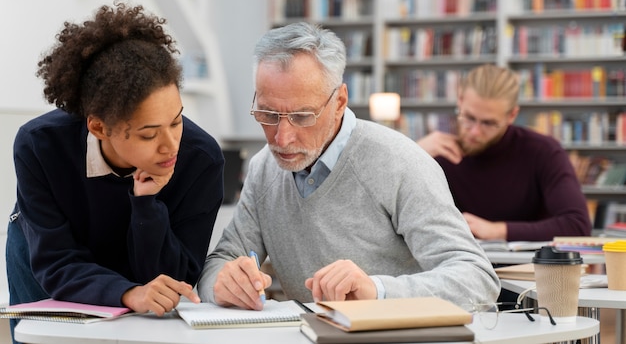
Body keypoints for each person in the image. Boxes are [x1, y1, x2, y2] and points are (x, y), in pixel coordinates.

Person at [197, 22, 500, 310]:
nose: (282, 138)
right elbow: (222, 259)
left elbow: (478, 280)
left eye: (303, 117)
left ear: (340, 101)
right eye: (267, 114)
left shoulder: (399, 163)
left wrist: (378, 292)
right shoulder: (265, 167)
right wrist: (222, 284)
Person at [6, 1, 224, 342]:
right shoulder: (40, 146)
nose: (170, 145)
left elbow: (175, 279)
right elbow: (56, 261)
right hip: (49, 264)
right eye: (149, 134)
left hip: (132, 261)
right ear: (99, 127)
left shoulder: (201, 159)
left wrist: (147, 207)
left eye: (176, 120)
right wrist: (126, 293)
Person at [417, 64, 592, 242]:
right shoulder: (433, 152)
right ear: (460, 101)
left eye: (488, 123)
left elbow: (577, 226)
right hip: (451, 266)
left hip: (524, 267)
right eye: (469, 118)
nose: (475, 131)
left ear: (512, 115)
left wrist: (496, 231)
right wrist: (413, 154)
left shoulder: (543, 152)